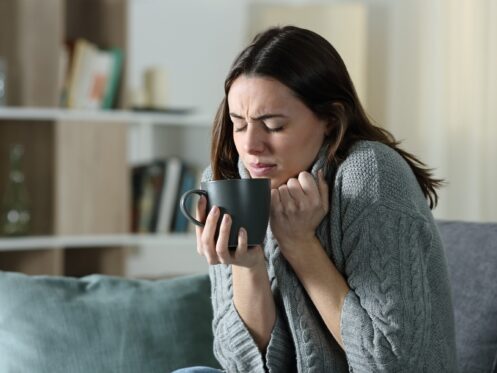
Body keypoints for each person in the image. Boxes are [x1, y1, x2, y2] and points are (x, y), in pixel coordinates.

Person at [173, 25, 457, 373]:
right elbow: (239, 366)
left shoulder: (370, 173)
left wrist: (300, 245)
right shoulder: (228, 180)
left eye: (273, 125)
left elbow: (390, 364)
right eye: (239, 124)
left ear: (329, 119)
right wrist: (247, 264)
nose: (250, 146)